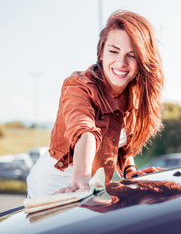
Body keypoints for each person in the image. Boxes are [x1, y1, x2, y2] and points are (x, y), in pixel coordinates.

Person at [26, 10, 165, 198]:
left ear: (142, 60)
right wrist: (82, 175)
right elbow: (85, 131)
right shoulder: (78, 85)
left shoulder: (135, 95)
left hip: (91, 191)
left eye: (131, 55)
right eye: (113, 51)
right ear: (101, 52)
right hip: (52, 189)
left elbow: (120, 146)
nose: (121, 62)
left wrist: (130, 171)